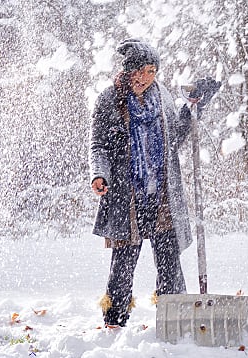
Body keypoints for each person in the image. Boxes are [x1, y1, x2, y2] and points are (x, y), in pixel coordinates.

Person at [89, 38, 220, 328]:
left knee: (170, 263)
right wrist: (99, 175)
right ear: (128, 70)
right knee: (123, 266)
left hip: (161, 196)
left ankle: (174, 320)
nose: (145, 78)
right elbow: (98, 145)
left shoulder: (163, 98)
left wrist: (196, 106)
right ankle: (115, 321)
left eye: (151, 71)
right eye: (140, 71)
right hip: (128, 197)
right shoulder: (110, 99)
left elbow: (177, 137)